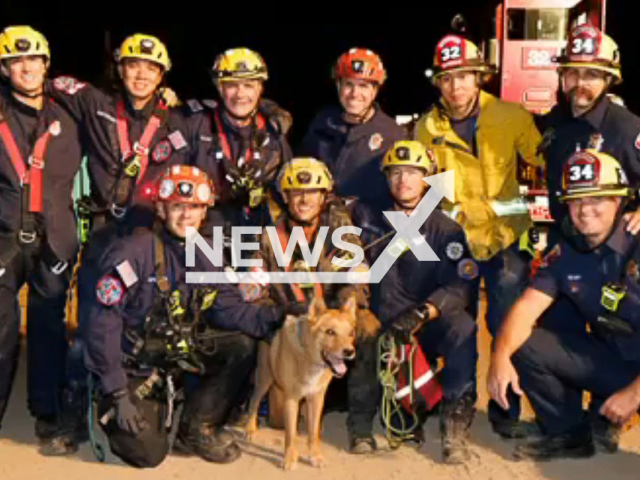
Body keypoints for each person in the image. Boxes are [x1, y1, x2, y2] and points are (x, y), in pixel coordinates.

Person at [79, 165, 290, 467]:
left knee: (241, 344)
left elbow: (230, 309)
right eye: (177, 207)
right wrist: (118, 391)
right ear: (162, 210)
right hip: (135, 365)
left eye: (194, 208)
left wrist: (278, 316)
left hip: (176, 351)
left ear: (205, 212)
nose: (185, 215)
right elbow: (101, 324)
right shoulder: (134, 251)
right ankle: (119, 407)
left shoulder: (206, 253)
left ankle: (195, 427)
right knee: (146, 453)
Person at [414, 33, 543, 439]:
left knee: (507, 323)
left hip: (505, 240)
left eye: (464, 77)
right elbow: (425, 188)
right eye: (447, 78)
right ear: (438, 83)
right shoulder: (426, 127)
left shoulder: (511, 115)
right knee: (459, 324)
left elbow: (544, 160)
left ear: (479, 78)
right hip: (459, 243)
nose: (456, 87)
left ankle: (507, 411)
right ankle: (458, 402)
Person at [488, 149, 640, 461]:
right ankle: (568, 434)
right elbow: (526, 309)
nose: (585, 210)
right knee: (523, 342)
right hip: (615, 360)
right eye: (576, 200)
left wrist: (634, 394)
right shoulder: (564, 251)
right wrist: (499, 356)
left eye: (596, 199)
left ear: (618, 200)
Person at [351, 140, 477, 463]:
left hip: (426, 323)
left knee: (463, 327)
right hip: (384, 327)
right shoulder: (367, 220)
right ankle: (360, 426)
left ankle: (454, 426)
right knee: (362, 329)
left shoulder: (447, 230)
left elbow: (460, 285)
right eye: (395, 173)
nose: (403, 180)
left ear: (427, 178)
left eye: (412, 173)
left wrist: (424, 312)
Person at [240, 157, 377, 449]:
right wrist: (282, 314)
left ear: (324, 196)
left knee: (365, 326)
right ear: (285, 197)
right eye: (296, 193)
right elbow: (252, 294)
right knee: (280, 419)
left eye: (312, 192)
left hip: (330, 325)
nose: (304, 199)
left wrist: (340, 311)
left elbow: (358, 280)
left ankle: (360, 422)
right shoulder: (266, 239)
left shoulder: (342, 233)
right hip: (291, 331)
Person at [0, 25, 83, 454]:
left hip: (57, 233)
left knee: (49, 322)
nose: (26, 66)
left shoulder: (72, 112)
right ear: (4, 67)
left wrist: (165, 104)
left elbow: (125, 114)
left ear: (47, 65)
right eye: (16, 60)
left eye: (33, 58)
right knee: (2, 322)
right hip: (4, 233)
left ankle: (46, 410)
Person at [540, 24, 640, 231]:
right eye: (572, 73)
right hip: (564, 241)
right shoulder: (555, 121)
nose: (580, 82)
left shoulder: (627, 127)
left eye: (591, 75)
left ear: (609, 79)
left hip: (613, 252)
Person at [188, 47, 292, 229]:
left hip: (258, 231)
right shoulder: (196, 125)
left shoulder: (273, 131)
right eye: (232, 85)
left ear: (260, 88)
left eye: (249, 85)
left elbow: (291, 190)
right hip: (205, 231)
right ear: (220, 88)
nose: (240, 94)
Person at [301, 48, 406, 210]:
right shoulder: (321, 124)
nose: (354, 93)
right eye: (348, 84)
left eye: (363, 85)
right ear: (338, 86)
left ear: (375, 90)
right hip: (321, 225)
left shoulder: (393, 134)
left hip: (371, 229)